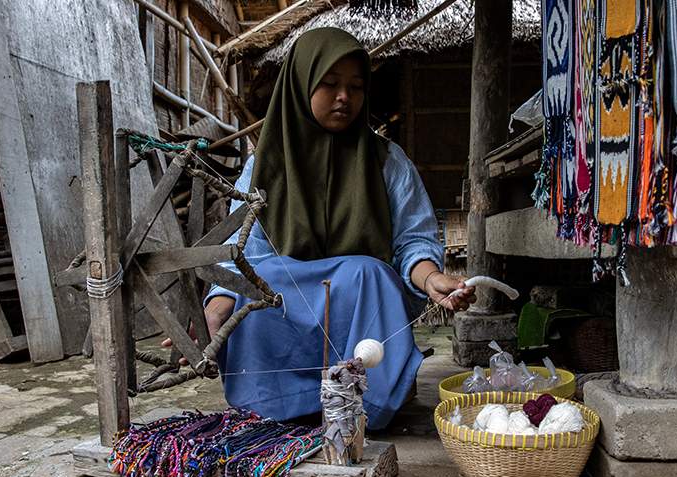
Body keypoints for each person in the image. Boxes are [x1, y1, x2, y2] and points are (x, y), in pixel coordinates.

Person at [164, 27, 475, 430]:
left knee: (370, 274)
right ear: (300, 84)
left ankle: (367, 402)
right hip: (285, 306)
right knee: (262, 281)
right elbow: (241, 254)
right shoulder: (263, 167)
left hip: (356, 302)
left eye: (356, 87)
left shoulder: (387, 161)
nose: (344, 96)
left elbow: (412, 240)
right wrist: (212, 314)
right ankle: (278, 402)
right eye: (329, 84)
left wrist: (431, 278)